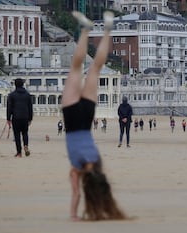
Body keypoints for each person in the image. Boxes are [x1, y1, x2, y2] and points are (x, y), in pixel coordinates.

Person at [62, 11, 125, 221]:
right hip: (72, 120)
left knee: (95, 69)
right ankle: (86, 29)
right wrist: (73, 215)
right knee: (78, 67)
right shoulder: (76, 168)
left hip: (86, 118)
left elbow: (90, 175)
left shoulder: (96, 161)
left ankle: (107, 28)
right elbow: (76, 192)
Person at [7, 78, 33, 157]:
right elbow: (30, 107)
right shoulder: (27, 94)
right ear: (22, 84)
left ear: (15, 85)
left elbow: (9, 107)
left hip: (16, 117)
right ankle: (26, 145)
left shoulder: (12, 95)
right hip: (25, 117)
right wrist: (30, 118)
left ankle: (19, 152)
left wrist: (8, 118)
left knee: (17, 135)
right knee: (25, 133)